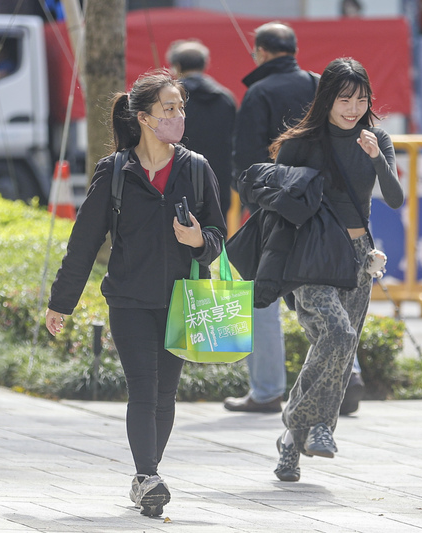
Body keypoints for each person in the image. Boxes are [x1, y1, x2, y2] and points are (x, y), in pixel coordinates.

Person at [45, 72, 226, 517]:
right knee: (144, 390)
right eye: (169, 109)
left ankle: (148, 476)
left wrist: (199, 241)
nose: (178, 116)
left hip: (183, 298)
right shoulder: (116, 172)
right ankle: (148, 475)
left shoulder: (197, 168)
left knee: (167, 395)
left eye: (181, 108)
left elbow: (220, 236)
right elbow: (85, 240)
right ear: (144, 117)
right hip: (128, 300)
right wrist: (61, 301)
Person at [267, 57, 403, 482]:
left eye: (361, 100)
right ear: (326, 98)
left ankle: (292, 439)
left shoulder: (376, 137)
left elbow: (396, 198)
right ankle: (317, 424)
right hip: (310, 255)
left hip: (357, 254)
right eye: (344, 99)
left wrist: (378, 157)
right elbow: (276, 202)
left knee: (340, 352)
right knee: (338, 334)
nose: (352, 108)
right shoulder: (302, 142)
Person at [228, 21, 370, 415]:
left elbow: (247, 160)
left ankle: (267, 389)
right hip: (332, 216)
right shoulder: (318, 84)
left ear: (261, 52)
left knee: (264, 295)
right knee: (330, 297)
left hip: (281, 211)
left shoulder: (258, 92)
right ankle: (349, 374)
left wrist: (256, 200)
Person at [166, 39, 236, 216]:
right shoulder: (225, 98)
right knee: (216, 231)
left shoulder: (170, 102)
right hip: (218, 178)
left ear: (177, 66)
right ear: (205, 64)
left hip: (178, 176)